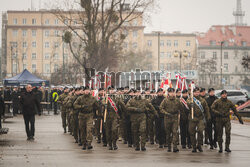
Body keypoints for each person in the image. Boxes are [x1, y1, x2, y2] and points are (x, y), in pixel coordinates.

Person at [187, 87, 210, 153]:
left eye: (197, 92)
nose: (196, 93)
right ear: (193, 93)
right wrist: (190, 104)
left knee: (200, 131)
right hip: (192, 118)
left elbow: (206, 108)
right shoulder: (190, 99)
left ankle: (199, 145)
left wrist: (208, 116)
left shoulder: (202, 100)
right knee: (192, 132)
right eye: (195, 92)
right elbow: (187, 104)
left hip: (200, 118)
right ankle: (194, 147)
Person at [160, 88, 183, 152]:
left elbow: (181, 108)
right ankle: (169, 147)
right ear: (168, 93)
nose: (172, 93)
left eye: (173, 92)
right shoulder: (165, 100)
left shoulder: (177, 100)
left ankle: (175, 147)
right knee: (168, 133)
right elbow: (161, 108)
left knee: (175, 132)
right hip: (167, 118)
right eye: (171, 92)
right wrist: (166, 113)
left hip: (175, 118)